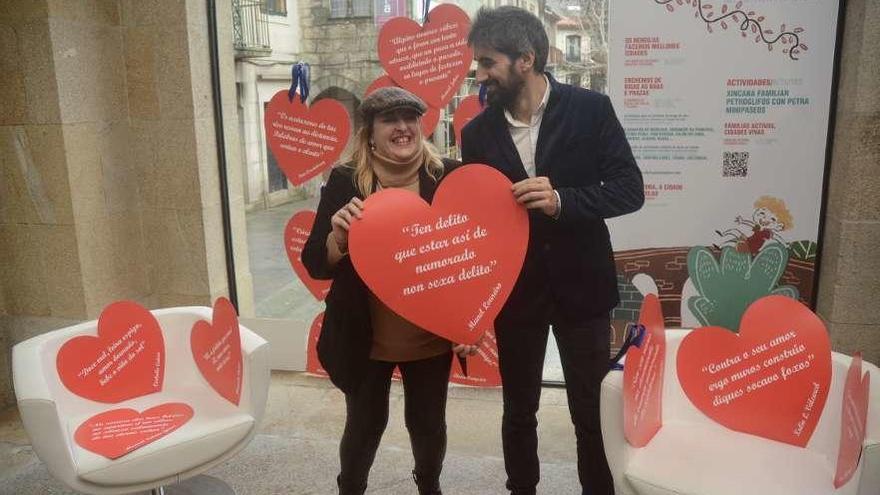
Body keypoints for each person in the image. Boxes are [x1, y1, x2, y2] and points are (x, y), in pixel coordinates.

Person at [461, 7, 645, 495]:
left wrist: (562, 200)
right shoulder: (475, 134)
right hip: (515, 294)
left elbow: (630, 190)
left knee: (590, 409)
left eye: (487, 63)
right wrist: (467, 309)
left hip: (583, 287)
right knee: (518, 411)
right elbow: (478, 225)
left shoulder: (591, 109)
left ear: (525, 59)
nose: (479, 75)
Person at [302, 87, 476, 495]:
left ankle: (429, 485)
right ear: (370, 133)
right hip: (366, 336)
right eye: (390, 120)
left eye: (410, 118)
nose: (402, 127)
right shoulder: (346, 181)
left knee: (428, 424)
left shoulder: (447, 176)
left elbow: (468, 257)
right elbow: (315, 261)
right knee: (364, 426)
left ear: (421, 125)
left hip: (430, 335)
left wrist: (472, 319)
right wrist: (338, 238)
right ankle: (351, 487)